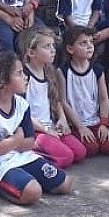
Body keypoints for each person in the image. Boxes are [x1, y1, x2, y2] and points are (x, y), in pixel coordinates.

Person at [0, 51, 74, 205]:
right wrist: (17, 138)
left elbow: (30, 143)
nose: (25, 77)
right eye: (19, 74)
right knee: (33, 193)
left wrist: (11, 143)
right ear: (3, 82)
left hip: (21, 155)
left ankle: (22, 179)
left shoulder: (21, 104)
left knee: (64, 184)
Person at [18, 28, 87, 168]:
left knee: (80, 152)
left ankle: (47, 149)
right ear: (32, 52)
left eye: (53, 46)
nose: (52, 50)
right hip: (34, 130)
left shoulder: (49, 71)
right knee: (66, 157)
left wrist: (62, 119)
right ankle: (28, 154)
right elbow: (21, 112)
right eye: (46, 47)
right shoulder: (24, 76)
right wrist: (45, 130)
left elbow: (55, 100)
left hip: (50, 125)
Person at [59, 25, 109, 157]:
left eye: (91, 42)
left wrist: (103, 124)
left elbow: (103, 99)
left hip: (94, 121)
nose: (90, 46)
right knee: (91, 149)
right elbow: (63, 101)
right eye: (83, 43)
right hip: (75, 123)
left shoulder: (97, 70)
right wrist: (80, 127)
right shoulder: (63, 72)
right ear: (70, 48)